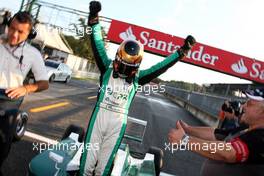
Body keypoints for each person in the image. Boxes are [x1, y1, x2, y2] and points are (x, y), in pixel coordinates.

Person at [79, 1, 196, 175]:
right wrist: (94, 19)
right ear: (117, 58)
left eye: (129, 67)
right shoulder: (106, 67)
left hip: (118, 123)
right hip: (99, 118)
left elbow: (161, 66)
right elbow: (97, 43)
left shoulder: (138, 79)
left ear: (136, 66)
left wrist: (181, 52)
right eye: (122, 65)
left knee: (103, 168)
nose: (125, 70)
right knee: (87, 164)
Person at [168, 88, 264, 176]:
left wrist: (185, 140)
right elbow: (216, 134)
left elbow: (228, 152)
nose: (243, 106)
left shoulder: (261, 137)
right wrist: (188, 128)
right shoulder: (245, 128)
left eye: (250, 104)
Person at [0, 11, 49, 174]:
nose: (14, 34)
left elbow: (44, 84)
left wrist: (25, 88)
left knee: (1, 141)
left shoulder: (33, 54)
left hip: (10, 99)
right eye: (12, 28)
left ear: (30, 34)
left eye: (20, 32)